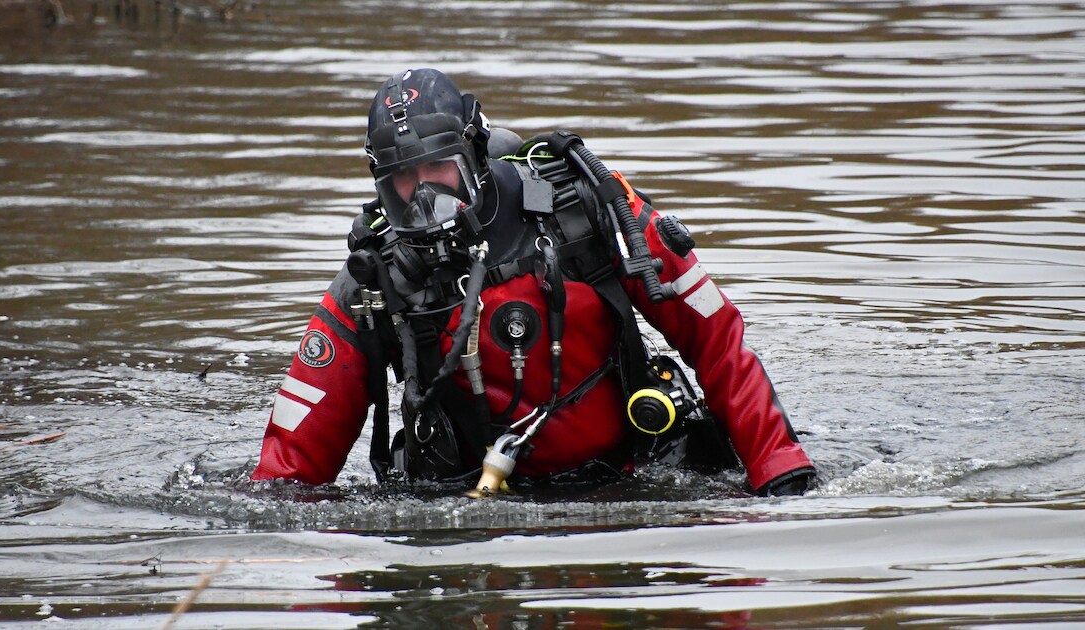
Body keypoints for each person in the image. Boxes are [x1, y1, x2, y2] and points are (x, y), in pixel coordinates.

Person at [252, 68, 816, 496]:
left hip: (632, 478)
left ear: (473, 153)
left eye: (438, 169)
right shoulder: (377, 277)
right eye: (402, 178)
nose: (424, 196)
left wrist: (778, 468)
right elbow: (292, 461)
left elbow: (716, 338)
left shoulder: (585, 208)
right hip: (471, 508)